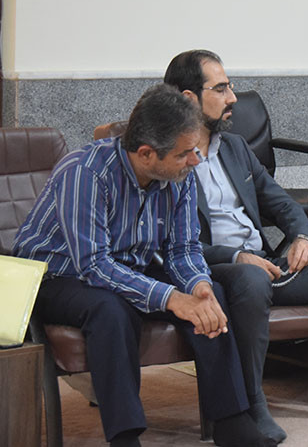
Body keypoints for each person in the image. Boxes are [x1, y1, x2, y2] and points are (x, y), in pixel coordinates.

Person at [13, 85, 274, 447]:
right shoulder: (86, 172)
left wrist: (197, 286)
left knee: (208, 294)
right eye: (184, 154)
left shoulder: (179, 174)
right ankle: (125, 436)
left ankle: (231, 420)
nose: (195, 161)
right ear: (147, 153)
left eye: (195, 150)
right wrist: (172, 298)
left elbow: (183, 249)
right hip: (57, 274)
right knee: (110, 309)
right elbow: (94, 265)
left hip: (127, 264)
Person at [164, 50, 308, 444]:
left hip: (265, 265)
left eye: (230, 87)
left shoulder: (235, 147)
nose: (232, 98)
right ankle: (253, 403)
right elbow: (173, 245)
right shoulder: (169, 156)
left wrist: (302, 238)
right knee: (251, 277)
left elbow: (282, 203)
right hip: (214, 270)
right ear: (189, 98)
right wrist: (238, 257)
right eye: (220, 89)